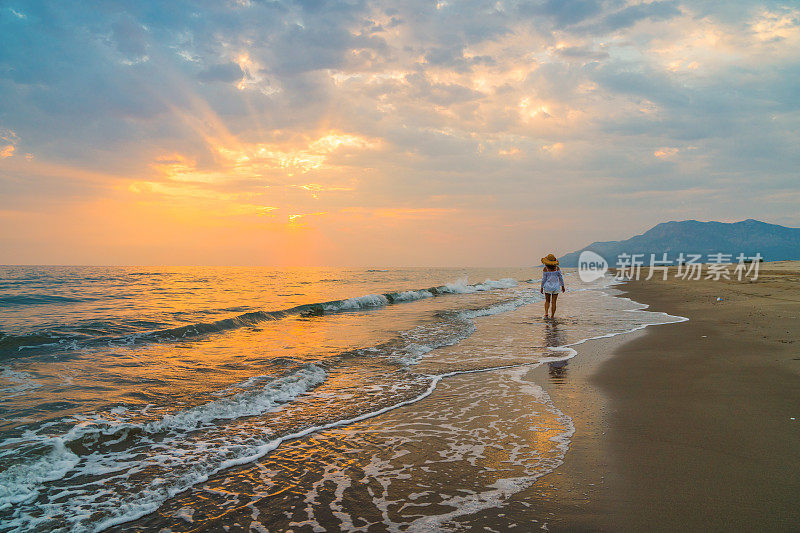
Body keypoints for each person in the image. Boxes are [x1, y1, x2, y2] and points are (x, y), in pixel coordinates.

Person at [540, 253, 565, 318]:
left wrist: (542, 287)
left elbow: (544, 279)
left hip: (548, 287)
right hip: (556, 287)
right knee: (554, 302)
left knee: (547, 300)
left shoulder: (545, 269)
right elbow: (560, 278)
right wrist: (562, 286)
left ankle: (546, 313)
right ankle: (552, 316)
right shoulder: (557, 269)